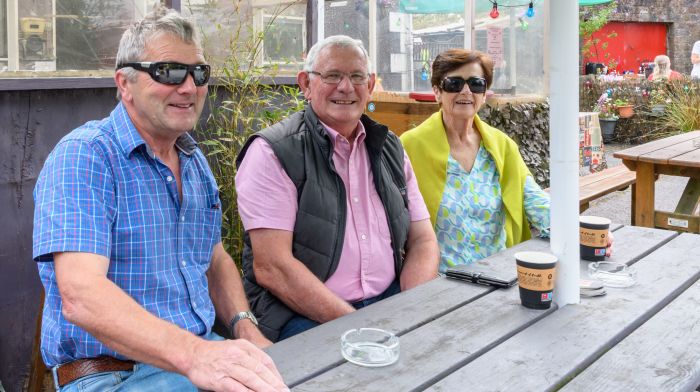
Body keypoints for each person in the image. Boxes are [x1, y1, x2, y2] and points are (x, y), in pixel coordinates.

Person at [32, 6, 287, 392]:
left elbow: (213, 256)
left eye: (199, 73)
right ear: (125, 83)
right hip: (115, 374)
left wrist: (244, 327)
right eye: (168, 71)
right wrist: (196, 356)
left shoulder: (192, 158)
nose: (189, 87)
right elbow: (81, 296)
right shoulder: (86, 156)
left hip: (201, 356)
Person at [235, 35, 439, 341]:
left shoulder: (389, 147)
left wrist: (408, 309)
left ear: (370, 85)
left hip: (390, 298)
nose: (346, 87)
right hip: (302, 314)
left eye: (357, 76)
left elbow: (423, 240)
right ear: (305, 84)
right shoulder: (273, 151)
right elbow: (272, 267)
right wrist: (360, 327)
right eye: (332, 76)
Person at [400, 49, 612, 272]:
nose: (465, 91)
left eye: (476, 84)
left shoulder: (501, 147)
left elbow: (535, 201)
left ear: (484, 94)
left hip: (497, 276)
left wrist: (582, 231)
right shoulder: (410, 147)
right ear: (437, 91)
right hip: (439, 284)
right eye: (454, 83)